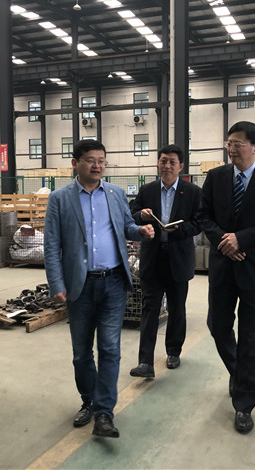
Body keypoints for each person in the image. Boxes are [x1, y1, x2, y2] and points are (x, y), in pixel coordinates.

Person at [44, 139, 155, 439]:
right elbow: (51, 245)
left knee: (110, 349)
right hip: (79, 286)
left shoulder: (116, 194)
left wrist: (141, 231)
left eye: (102, 160)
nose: (97, 165)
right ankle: (89, 400)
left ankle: (104, 413)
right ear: (75, 163)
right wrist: (57, 283)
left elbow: (126, 227)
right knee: (81, 353)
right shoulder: (59, 199)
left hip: (113, 282)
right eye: (91, 160)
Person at [199, 121, 255, 434]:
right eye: (229, 143)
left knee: (249, 335)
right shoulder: (216, 177)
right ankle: (240, 374)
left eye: (237, 144)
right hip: (223, 265)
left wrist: (242, 240)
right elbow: (203, 216)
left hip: (252, 267)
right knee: (218, 325)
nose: (231, 149)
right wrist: (225, 241)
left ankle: (244, 404)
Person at [129, 145, 202, 378]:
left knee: (177, 308)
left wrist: (179, 229)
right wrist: (141, 216)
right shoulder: (147, 190)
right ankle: (145, 362)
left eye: (172, 162)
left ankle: (173, 351)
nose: (167, 166)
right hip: (153, 257)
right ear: (158, 164)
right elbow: (133, 214)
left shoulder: (192, 192)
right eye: (163, 161)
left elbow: (199, 222)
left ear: (181, 166)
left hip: (178, 257)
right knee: (149, 308)